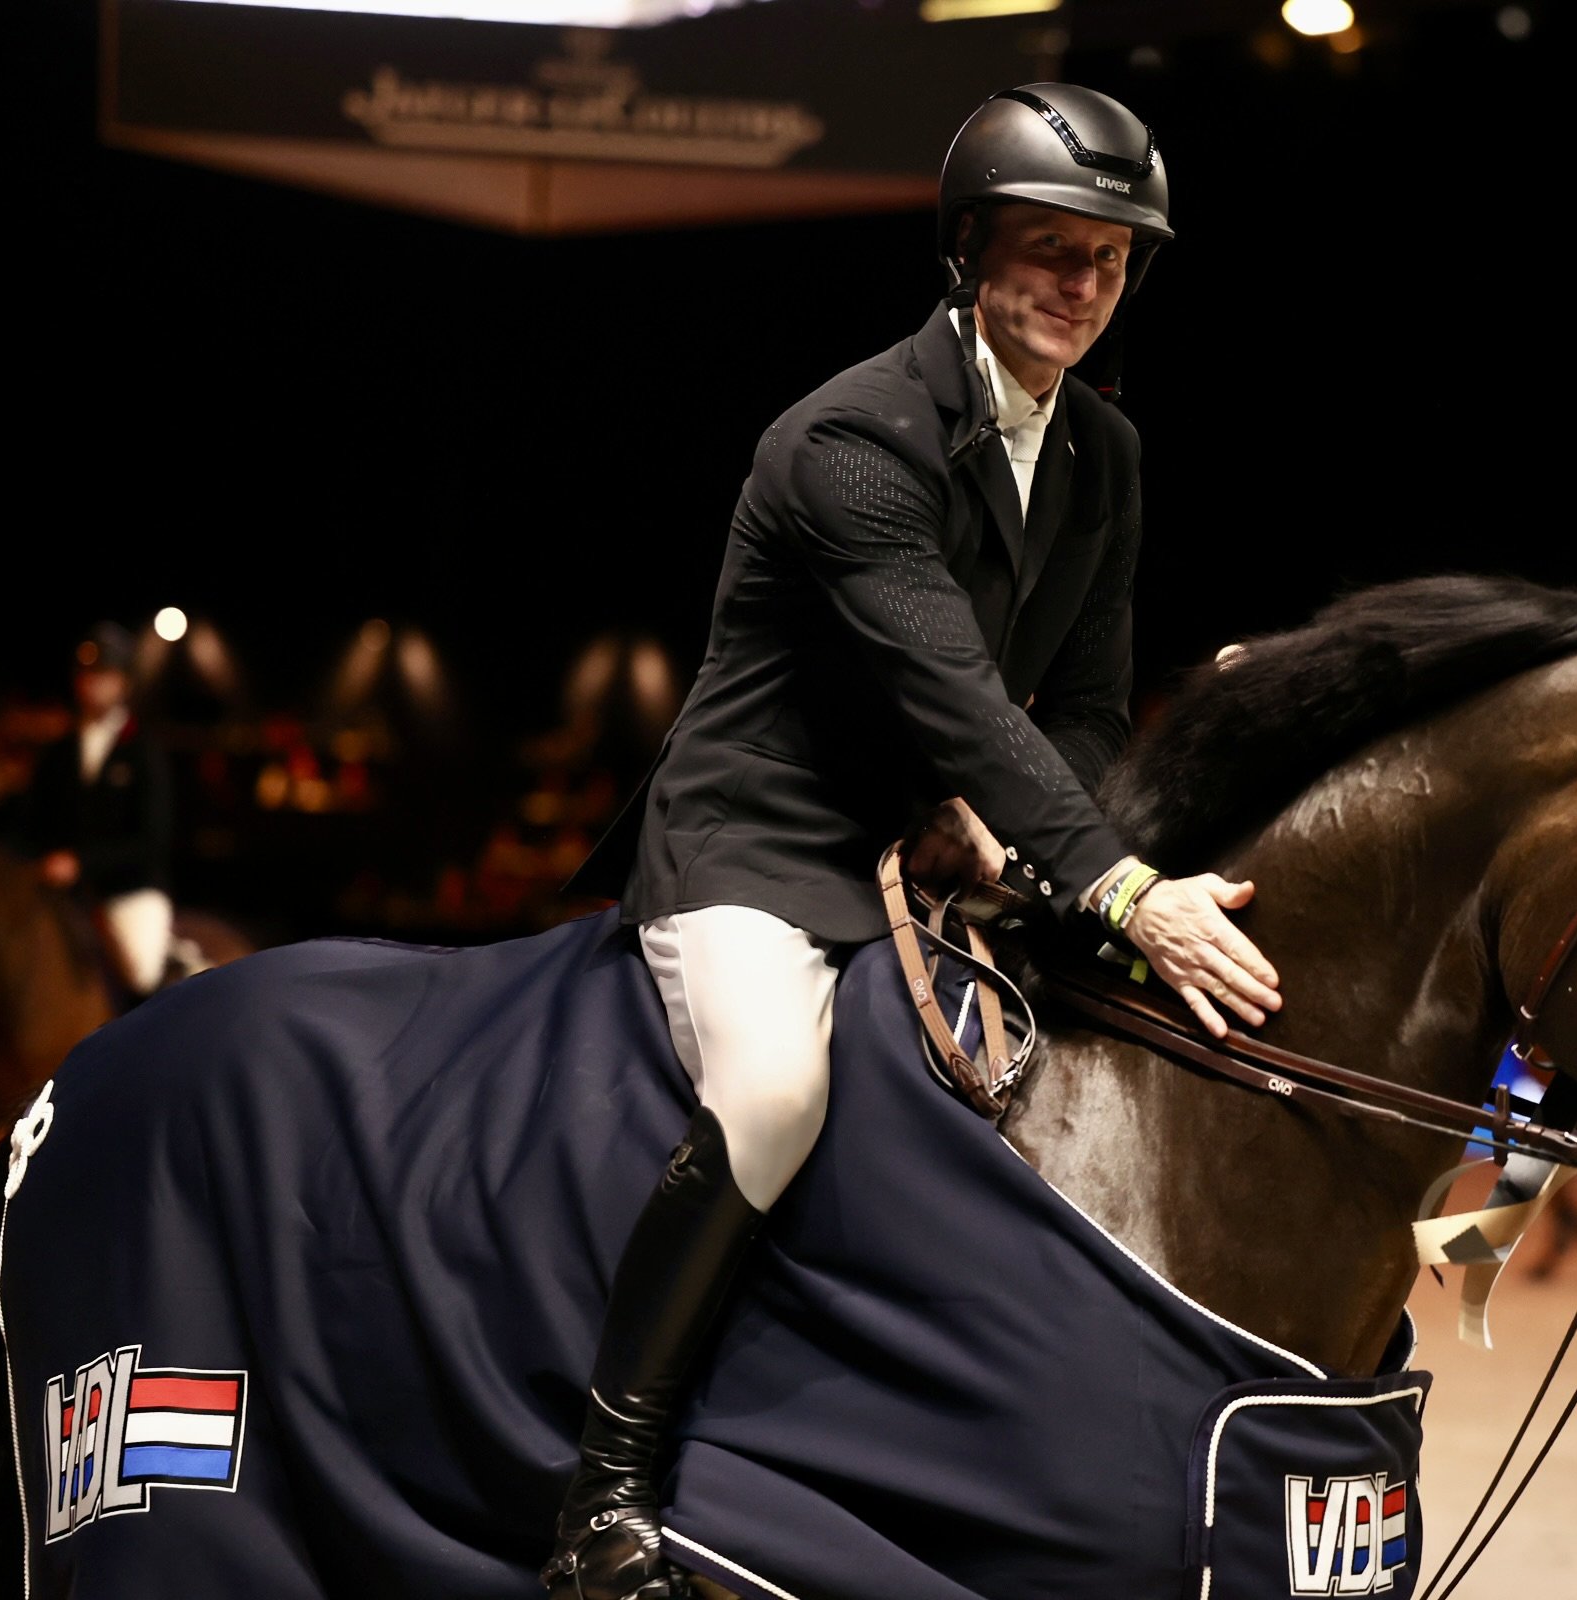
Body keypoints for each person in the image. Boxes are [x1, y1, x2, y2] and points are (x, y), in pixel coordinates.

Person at [546, 85, 1282, 1598]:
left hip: (939, 837)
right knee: (774, 1092)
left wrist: (1023, 853)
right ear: (967, 253)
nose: (1083, 287)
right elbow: (957, 691)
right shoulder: (847, 441)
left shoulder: (1106, 459)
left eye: (1112, 259)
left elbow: (1079, 710)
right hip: (760, 834)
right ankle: (607, 1488)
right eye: (1050, 251)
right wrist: (1121, 885)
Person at [22, 624, 176, 999]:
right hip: (62, 897)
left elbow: (154, 839)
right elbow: (32, 822)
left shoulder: (143, 751)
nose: (92, 684)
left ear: (122, 682)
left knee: (140, 973)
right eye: (86, 675)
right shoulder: (58, 752)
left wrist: (81, 862)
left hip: (128, 893)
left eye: (102, 675)